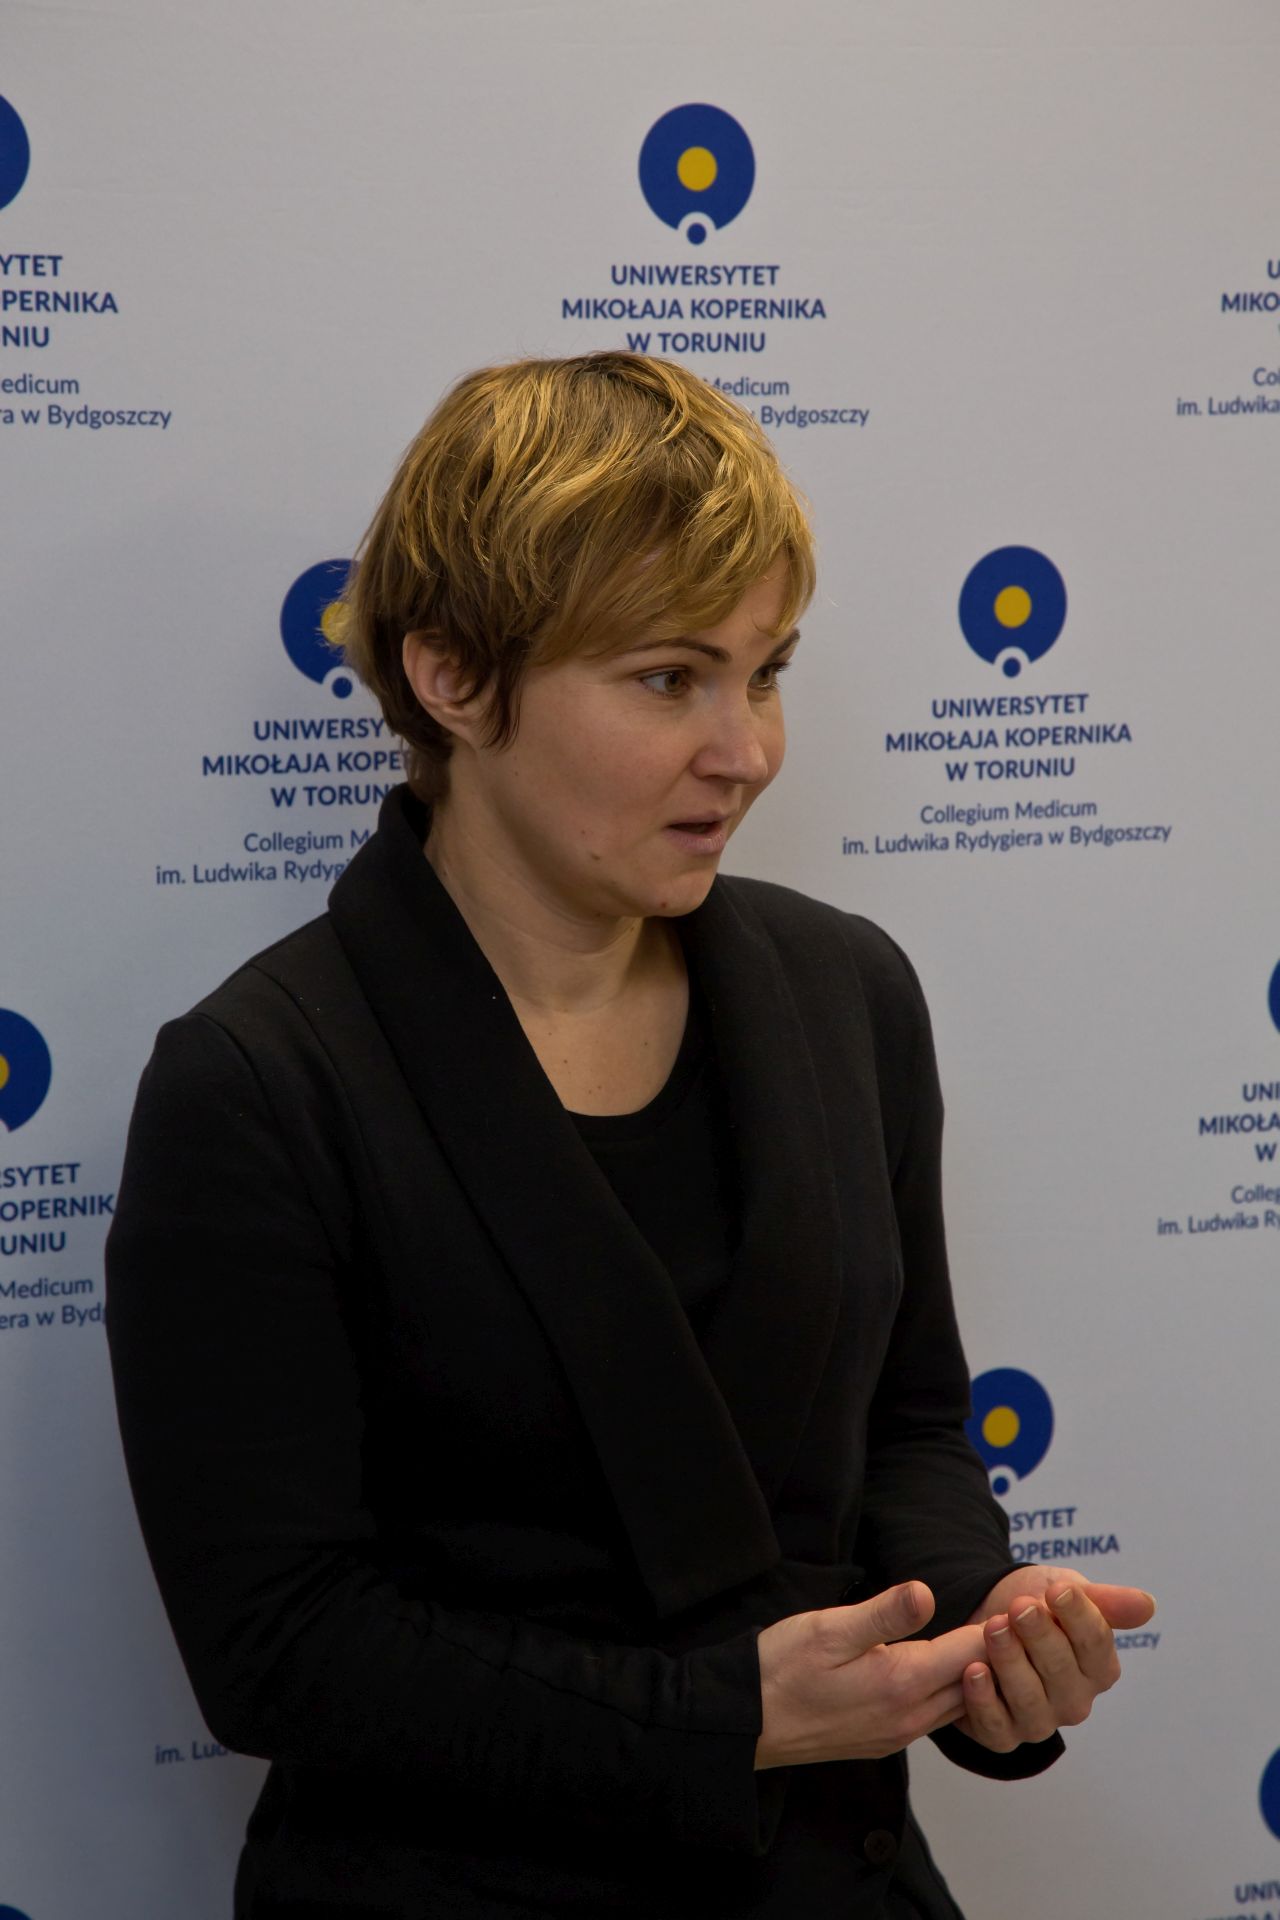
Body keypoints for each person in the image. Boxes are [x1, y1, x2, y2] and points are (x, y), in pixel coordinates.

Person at [104, 350, 1154, 1920]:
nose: (747, 749)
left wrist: (984, 1627)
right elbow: (281, 1646)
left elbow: (908, 1426)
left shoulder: (845, 992)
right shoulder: (261, 1083)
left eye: (766, 672)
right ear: (453, 678)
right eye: (671, 679)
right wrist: (722, 1721)